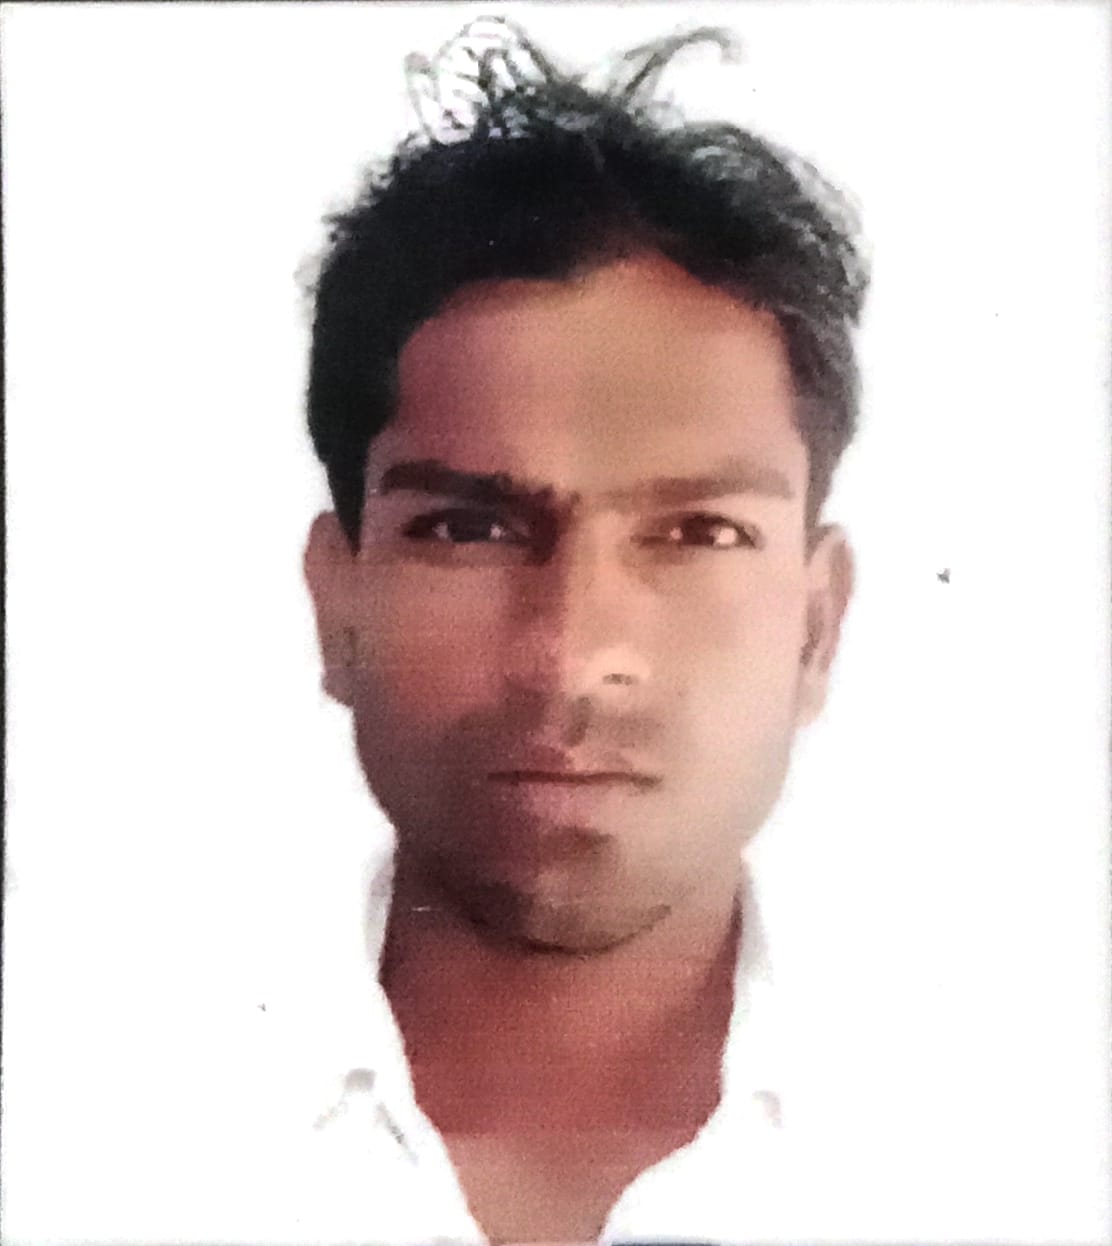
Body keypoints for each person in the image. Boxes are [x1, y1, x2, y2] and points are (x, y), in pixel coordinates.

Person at [301, 17, 867, 1245]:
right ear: (334, 602)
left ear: (815, 627)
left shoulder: (1028, 1156)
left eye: (697, 532)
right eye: (466, 528)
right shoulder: (80, 1128)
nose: (570, 655)